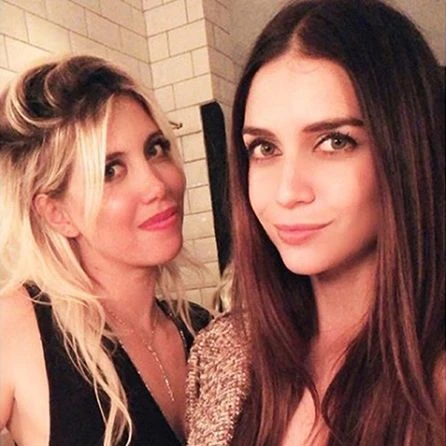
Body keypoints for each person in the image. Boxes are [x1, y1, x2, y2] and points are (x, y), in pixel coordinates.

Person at [186, 0, 445, 445]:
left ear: (407, 149)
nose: (288, 192)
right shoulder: (222, 352)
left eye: (334, 142)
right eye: (265, 148)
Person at [0, 54, 211, 446]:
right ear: (57, 213)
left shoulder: (204, 332)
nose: (156, 185)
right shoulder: (18, 325)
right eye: (110, 170)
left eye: (156, 149)